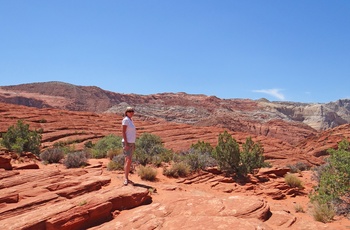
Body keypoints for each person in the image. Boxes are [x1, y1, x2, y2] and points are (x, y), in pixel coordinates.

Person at [122, 106, 136, 186]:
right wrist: (126, 144)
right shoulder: (126, 120)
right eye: (129, 111)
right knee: (128, 160)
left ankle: (126, 177)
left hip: (131, 142)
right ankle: (126, 179)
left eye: (132, 111)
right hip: (127, 143)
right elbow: (123, 132)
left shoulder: (131, 120)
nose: (131, 113)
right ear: (126, 112)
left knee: (127, 160)